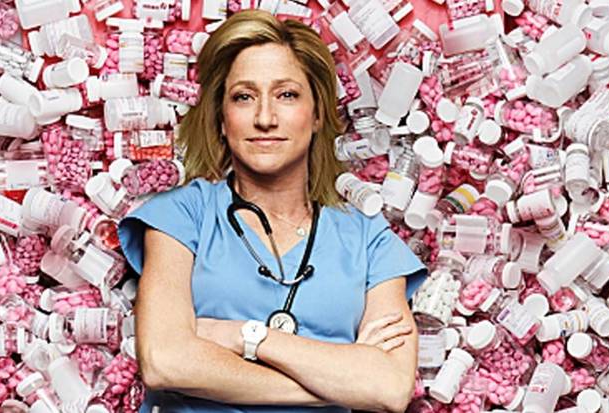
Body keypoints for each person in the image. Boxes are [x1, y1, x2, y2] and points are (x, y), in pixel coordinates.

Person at [118, 9, 428, 413]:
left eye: (287, 95)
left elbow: (388, 388)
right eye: (244, 97)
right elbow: (165, 362)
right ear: (222, 119)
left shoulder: (367, 236)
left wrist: (245, 337)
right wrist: (338, 383)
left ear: (317, 114)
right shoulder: (181, 214)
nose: (265, 118)